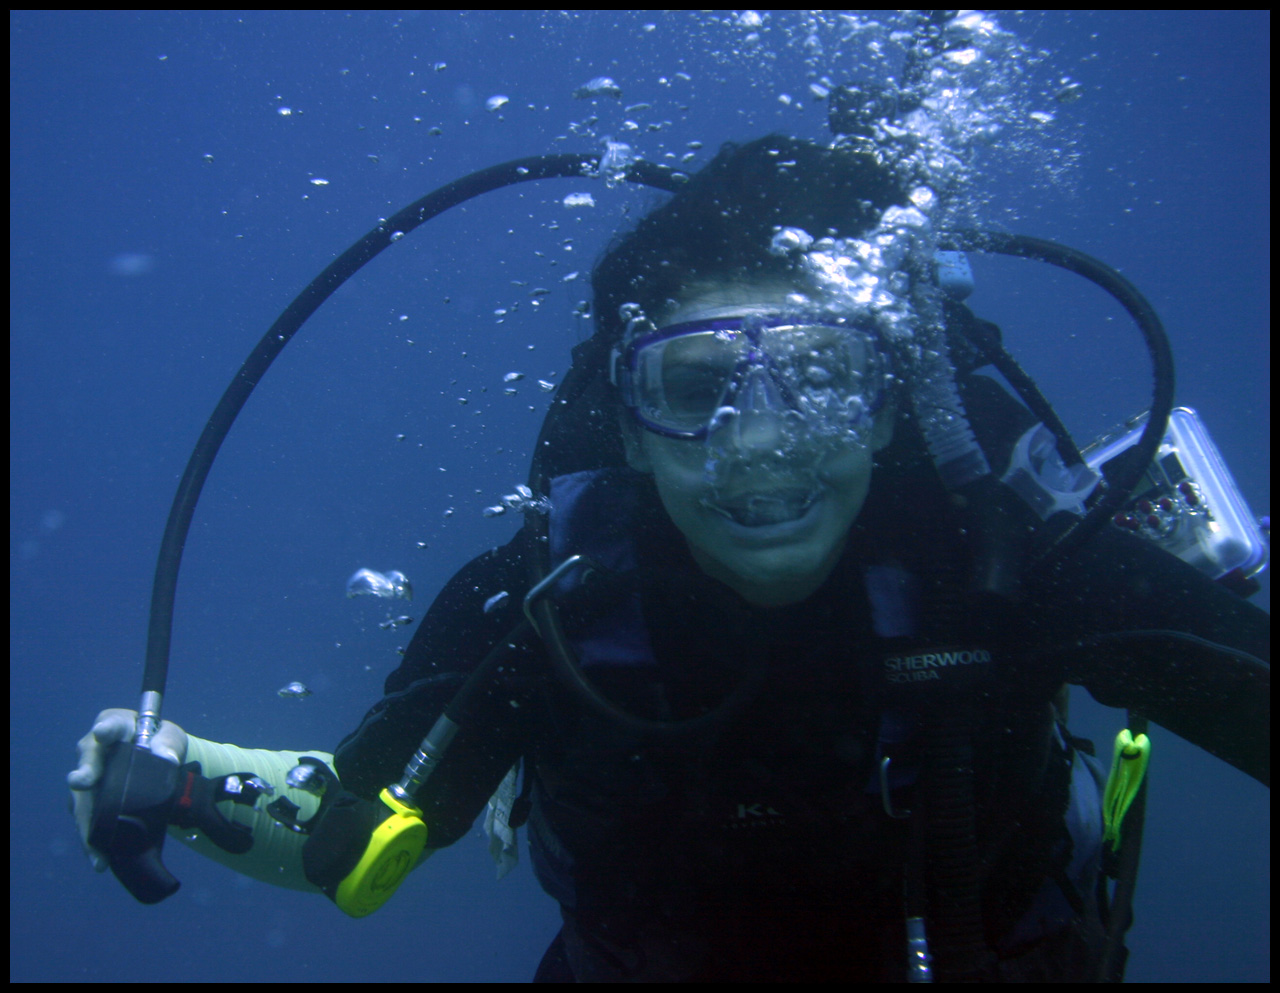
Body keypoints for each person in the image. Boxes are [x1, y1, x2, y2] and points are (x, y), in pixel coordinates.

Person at [70, 135, 1270, 982]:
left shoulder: (1002, 563)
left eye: (817, 377)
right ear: (631, 427)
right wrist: (181, 780)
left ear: (886, 408)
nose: (755, 447)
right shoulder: (549, 600)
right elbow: (350, 828)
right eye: (693, 391)